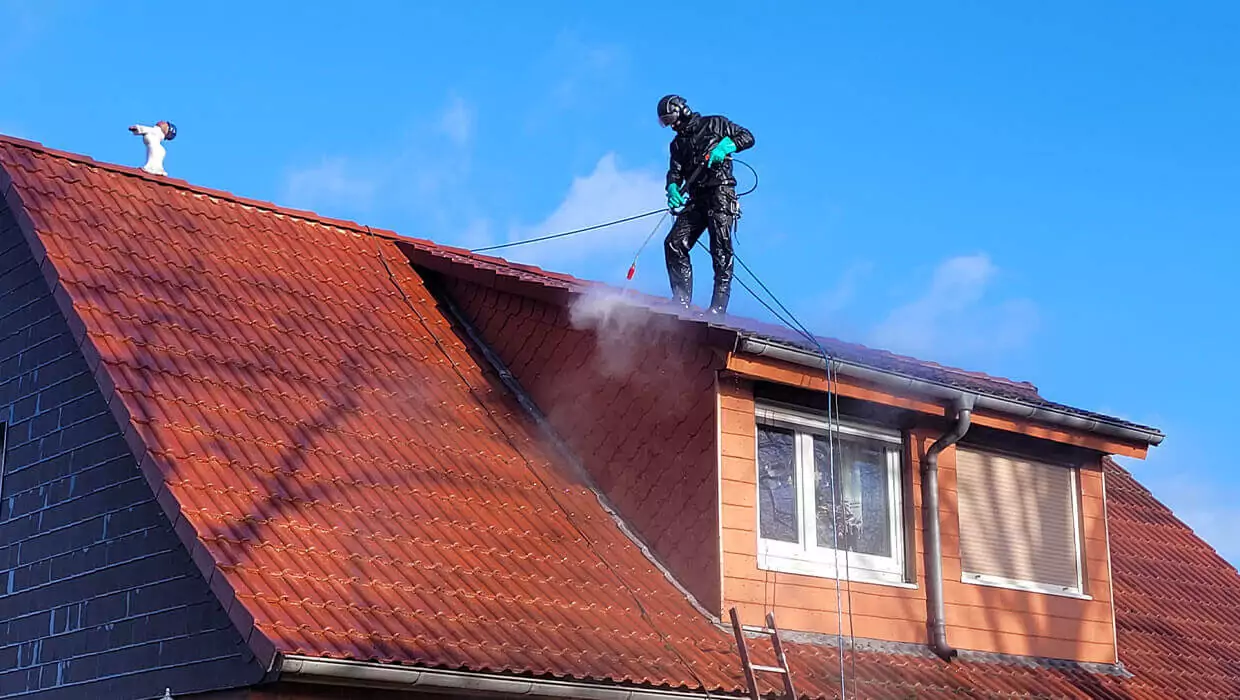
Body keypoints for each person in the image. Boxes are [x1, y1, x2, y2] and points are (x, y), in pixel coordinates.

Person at [659, 94, 754, 315]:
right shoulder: (677, 144)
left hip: (720, 193)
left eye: (671, 120)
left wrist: (727, 146)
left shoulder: (715, 123)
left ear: (682, 111)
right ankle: (681, 300)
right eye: (666, 123)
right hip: (697, 198)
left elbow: (747, 137)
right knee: (674, 243)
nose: (672, 126)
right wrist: (672, 188)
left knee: (720, 249)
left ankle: (718, 308)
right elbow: (675, 173)